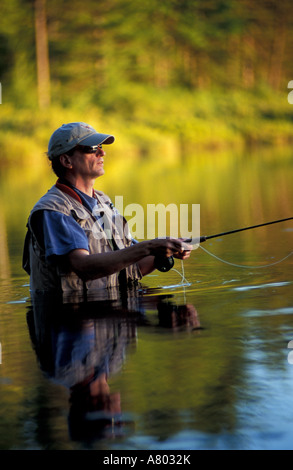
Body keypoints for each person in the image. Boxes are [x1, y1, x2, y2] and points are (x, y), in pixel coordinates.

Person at [23, 122, 191, 297]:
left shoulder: (103, 201)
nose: (102, 152)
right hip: (72, 316)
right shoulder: (53, 211)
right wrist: (148, 247)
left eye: (101, 147)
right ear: (66, 160)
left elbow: (131, 267)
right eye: (92, 148)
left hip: (113, 314)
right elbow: (83, 267)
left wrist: (162, 252)